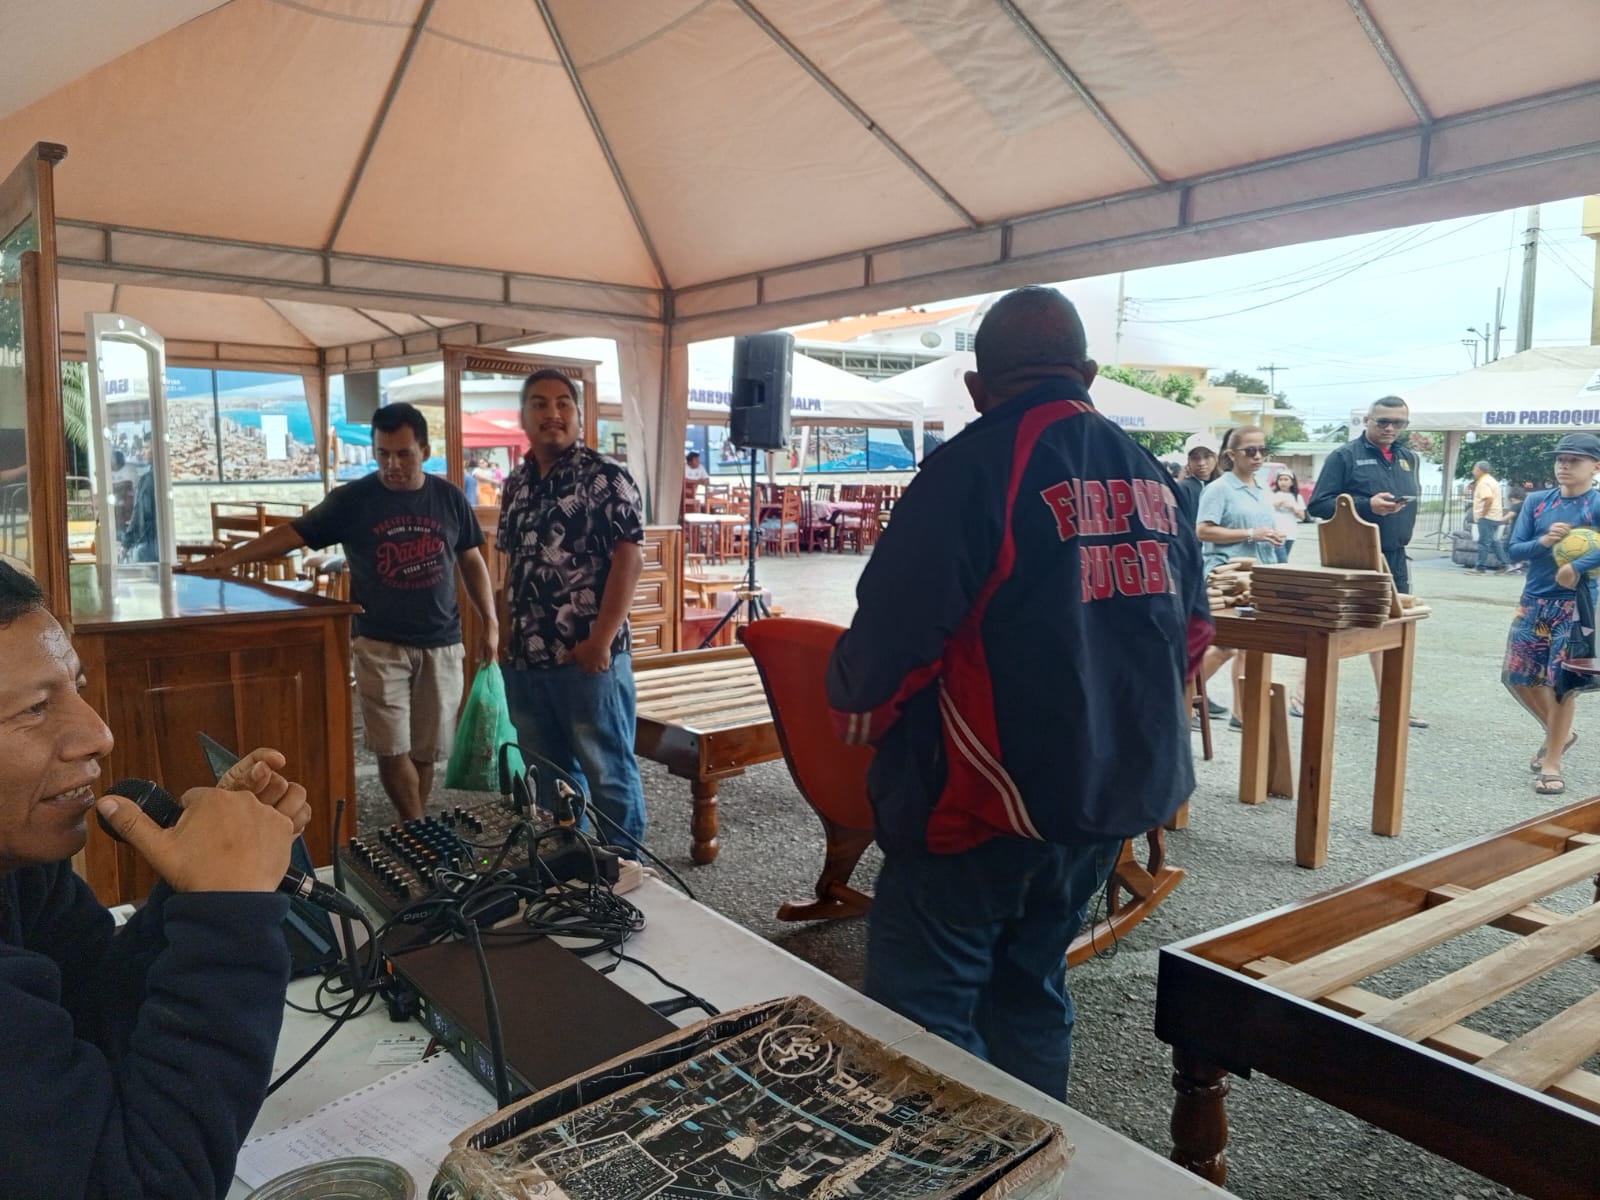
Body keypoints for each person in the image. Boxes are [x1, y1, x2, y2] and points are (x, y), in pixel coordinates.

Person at [825, 287, 1210, 1101]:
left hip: (981, 809)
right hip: (1105, 804)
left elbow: (891, 644)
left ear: (976, 387)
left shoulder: (970, 467)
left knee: (923, 1017)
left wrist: (854, 710)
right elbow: (1195, 637)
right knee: (1030, 990)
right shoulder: (1155, 477)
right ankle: (1038, 1154)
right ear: (1089, 375)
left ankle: (952, 1162)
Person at [0, 560, 313, 1198]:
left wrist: (196, 882)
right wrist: (227, 919)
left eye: (76, 688)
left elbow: (92, 1010)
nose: (98, 735)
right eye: (33, 709)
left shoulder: (20, 866)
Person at [184, 403, 497, 821]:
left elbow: (472, 561)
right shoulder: (353, 500)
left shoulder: (449, 498)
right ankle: (415, 824)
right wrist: (227, 559)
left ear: (424, 450)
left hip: (442, 643)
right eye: (383, 453)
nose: (393, 464)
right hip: (378, 643)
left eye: (403, 454)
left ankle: (414, 824)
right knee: (391, 747)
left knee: (427, 750)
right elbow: (292, 534)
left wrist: (491, 622)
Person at [498, 369, 649, 847]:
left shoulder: (606, 478)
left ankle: (624, 872)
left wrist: (600, 641)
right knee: (548, 779)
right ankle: (567, 866)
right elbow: (512, 565)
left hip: (587, 660)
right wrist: (503, 634)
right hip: (526, 661)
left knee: (608, 774)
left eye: (564, 403)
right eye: (540, 404)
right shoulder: (516, 484)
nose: (553, 413)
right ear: (524, 416)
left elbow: (630, 559)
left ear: (580, 416)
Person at [1307, 396, 1427, 727]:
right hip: (1355, 557)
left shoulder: (1408, 458)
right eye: (1382, 421)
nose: (1390, 428)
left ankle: (1388, 701)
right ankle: (1303, 693)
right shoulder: (1344, 456)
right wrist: (1365, 505)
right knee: (1338, 627)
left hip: (1395, 554)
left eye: (1398, 423)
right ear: (1367, 421)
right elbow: (1318, 505)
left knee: (1393, 626)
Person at [1502, 434, 1600, 797]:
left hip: (1576, 605)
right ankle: (1561, 733)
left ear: (1595, 466)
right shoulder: (1537, 501)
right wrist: (1543, 542)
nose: (1564, 465)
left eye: (1575, 460)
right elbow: (1513, 549)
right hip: (1535, 600)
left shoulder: (1596, 504)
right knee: (1518, 675)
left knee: (1561, 682)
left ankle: (1552, 763)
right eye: (1560, 459)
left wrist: (1577, 566)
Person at [1195, 426, 1295, 727]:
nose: (1258, 456)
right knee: (1228, 646)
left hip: (1258, 574)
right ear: (1231, 454)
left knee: (1252, 646)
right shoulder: (1219, 488)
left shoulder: (1261, 488)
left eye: (1263, 450)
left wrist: (1270, 537)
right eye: (1250, 451)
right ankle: (1181, 693)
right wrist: (1251, 533)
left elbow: (1258, 531)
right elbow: (1203, 531)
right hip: (1227, 577)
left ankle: (1242, 713)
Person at [1471, 460, 1510, 573]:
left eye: (1474, 469)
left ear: (1479, 470)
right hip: (1495, 515)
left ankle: (1480, 567)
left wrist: (1483, 513)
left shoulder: (1483, 482)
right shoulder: (1492, 480)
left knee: (1484, 542)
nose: (1473, 471)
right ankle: (1504, 564)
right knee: (1494, 541)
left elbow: (1488, 498)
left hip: (1487, 516)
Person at [1269, 469, 1306, 563]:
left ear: (1292, 482)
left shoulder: (1297, 497)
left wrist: (1293, 507)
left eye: (1286, 479)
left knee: (1281, 559)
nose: (1283, 482)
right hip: (1276, 532)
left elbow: (1302, 516)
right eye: (1280, 479)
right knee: (1282, 560)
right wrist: (1277, 504)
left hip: (1290, 533)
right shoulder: (1272, 495)